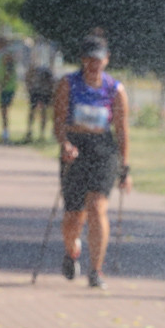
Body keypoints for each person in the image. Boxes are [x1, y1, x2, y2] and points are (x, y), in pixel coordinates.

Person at [52, 34, 132, 289]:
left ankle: (95, 270)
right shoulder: (68, 83)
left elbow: (122, 130)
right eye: (89, 59)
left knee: (97, 208)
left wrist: (125, 167)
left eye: (98, 59)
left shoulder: (114, 89)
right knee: (74, 215)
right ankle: (71, 250)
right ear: (82, 60)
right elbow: (59, 122)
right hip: (75, 147)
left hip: (103, 150)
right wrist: (64, 144)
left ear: (106, 60)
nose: (93, 64)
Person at [0, 37, 17, 143]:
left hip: (7, 87)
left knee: (4, 110)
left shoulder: (7, 55)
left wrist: (3, 83)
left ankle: (6, 134)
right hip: (5, 86)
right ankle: (5, 133)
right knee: (3, 110)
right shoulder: (2, 54)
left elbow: (9, 70)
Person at [24, 63, 55, 143]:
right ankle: (30, 132)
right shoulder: (34, 59)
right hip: (36, 89)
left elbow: (51, 78)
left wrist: (51, 90)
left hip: (44, 90)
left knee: (43, 112)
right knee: (33, 111)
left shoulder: (49, 58)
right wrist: (29, 86)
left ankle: (41, 134)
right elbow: (29, 74)